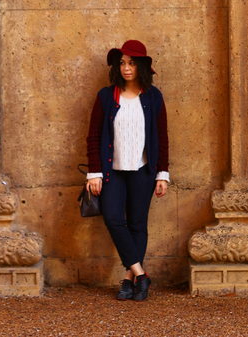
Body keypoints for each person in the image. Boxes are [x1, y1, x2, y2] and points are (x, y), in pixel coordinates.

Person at [86, 39, 169, 301]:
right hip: (113, 172)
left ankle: (128, 280)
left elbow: (162, 137)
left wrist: (162, 174)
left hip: (144, 171)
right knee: (113, 219)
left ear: (141, 66)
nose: (126, 68)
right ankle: (142, 275)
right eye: (122, 63)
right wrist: (94, 172)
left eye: (132, 63)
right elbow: (93, 137)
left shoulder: (153, 97)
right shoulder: (105, 97)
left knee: (137, 224)